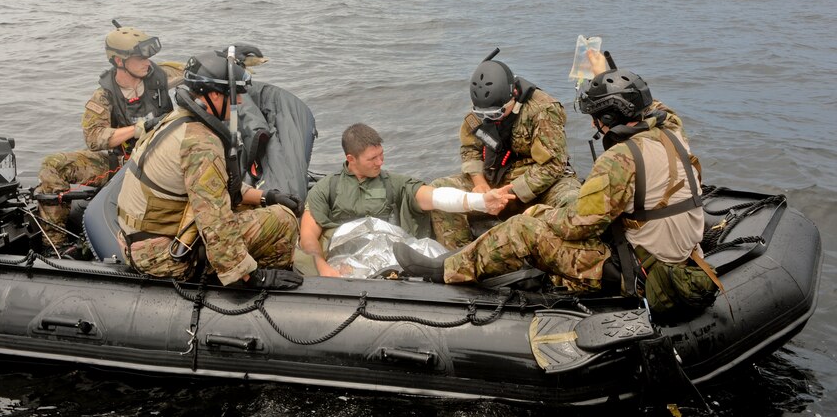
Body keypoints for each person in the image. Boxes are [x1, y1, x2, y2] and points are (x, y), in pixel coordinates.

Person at [396, 52, 708, 302]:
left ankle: (445, 270)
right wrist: (603, 73)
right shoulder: (671, 129)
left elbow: (579, 223)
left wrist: (538, 215)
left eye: (596, 119)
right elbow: (648, 102)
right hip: (678, 254)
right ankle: (465, 256)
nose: (592, 126)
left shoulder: (618, 159)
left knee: (522, 229)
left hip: (637, 269)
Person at [115, 50, 302, 289]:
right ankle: (264, 285)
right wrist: (253, 277)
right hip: (163, 257)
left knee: (268, 207)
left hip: (142, 241)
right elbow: (215, 222)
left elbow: (218, 185)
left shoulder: (176, 120)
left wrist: (268, 196)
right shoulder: (200, 143)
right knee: (283, 219)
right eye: (234, 95)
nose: (240, 102)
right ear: (214, 95)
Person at [33, 25, 184, 253]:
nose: (147, 62)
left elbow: (196, 70)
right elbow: (94, 138)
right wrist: (138, 128)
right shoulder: (104, 95)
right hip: (123, 163)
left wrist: (232, 61)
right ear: (119, 61)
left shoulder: (158, 75)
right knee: (53, 166)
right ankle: (55, 246)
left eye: (148, 57)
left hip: (161, 159)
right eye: (140, 58)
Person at [297, 123, 515, 277]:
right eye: (372, 158)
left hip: (389, 252)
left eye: (381, 155)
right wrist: (321, 266)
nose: (380, 162)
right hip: (346, 257)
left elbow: (433, 197)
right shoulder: (328, 187)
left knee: (434, 256)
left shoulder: (392, 182)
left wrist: (480, 201)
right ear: (351, 159)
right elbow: (308, 236)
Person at [429, 53, 580, 250]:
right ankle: (460, 255)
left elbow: (553, 165)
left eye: (497, 113)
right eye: (484, 115)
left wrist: (510, 193)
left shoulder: (543, 110)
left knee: (574, 202)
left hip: (539, 183)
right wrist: (480, 184)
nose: (491, 119)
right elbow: (470, 148)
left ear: (513, 96)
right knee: (440, 189)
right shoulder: (480, 110)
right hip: (496, 178)